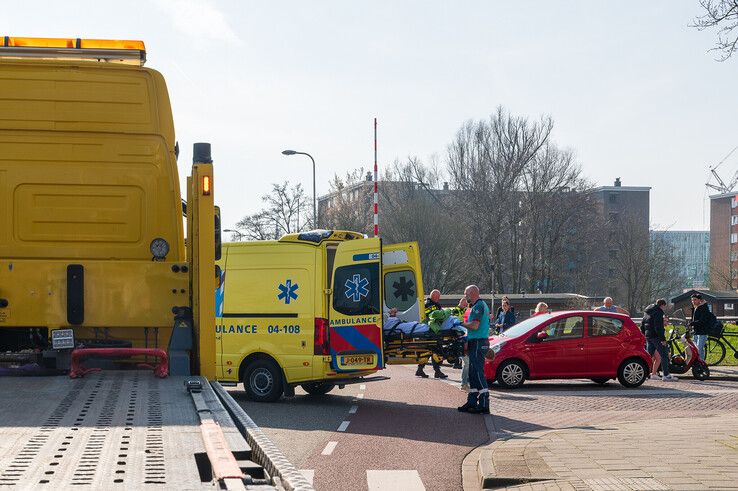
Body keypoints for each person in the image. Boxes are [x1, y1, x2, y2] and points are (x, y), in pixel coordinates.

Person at [458, 285, 491, 414]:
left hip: (478, 342)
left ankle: (484, 403)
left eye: (466, 293)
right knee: (472, 373)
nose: (465, 296)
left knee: (477, 372)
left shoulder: (478, 306)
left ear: (472, 293)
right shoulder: (478, 305)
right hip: (476, 341)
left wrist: (460, 324)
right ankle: (472, 401)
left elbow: (475, 325)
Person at [644, 299, 677, 381]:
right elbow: (658, 327)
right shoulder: (658, 312)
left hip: (648, 336)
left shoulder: (648, 311)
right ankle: (666, 375)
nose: (664, 309)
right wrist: (663, 339)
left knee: (648, 356)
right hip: (656, 337)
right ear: (662, 305)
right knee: (664, 355)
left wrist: (645, 334)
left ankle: (644, 374)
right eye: (664, 307)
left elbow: (643, 324)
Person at [416, 289, 447, 379]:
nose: (438, 298)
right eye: (437, 297)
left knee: (427, 351)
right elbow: (434, 317)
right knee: (436, 350)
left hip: (428, 331)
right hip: (431, 331)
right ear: (433, 296)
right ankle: (437, 371)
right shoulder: (430, 305)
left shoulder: (432, 304)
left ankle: (420, 369)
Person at [688, 293, 711, 360]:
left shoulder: (703, 308)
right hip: (696, 331)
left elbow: (702, 320)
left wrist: (692, 323)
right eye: (692, 300)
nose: (693, 301)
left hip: (702, 331)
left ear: (700, 300)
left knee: (699, 348)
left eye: (695, 300)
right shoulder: (695, 308)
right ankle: (699, 362)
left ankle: (701, 363)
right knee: (696, 348)